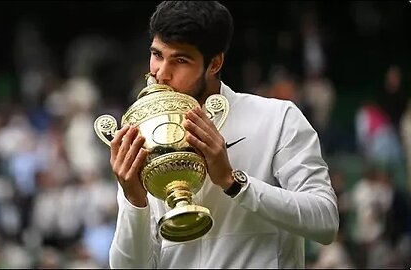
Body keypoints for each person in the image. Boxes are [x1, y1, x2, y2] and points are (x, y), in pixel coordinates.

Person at [108, 1, 339, 268]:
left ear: (215, 63)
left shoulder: (277, 118)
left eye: (180, 60)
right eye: (157, 55)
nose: (162, 74)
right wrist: (134, 201)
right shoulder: (143, 133)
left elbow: (325, 222)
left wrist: (234, 183)